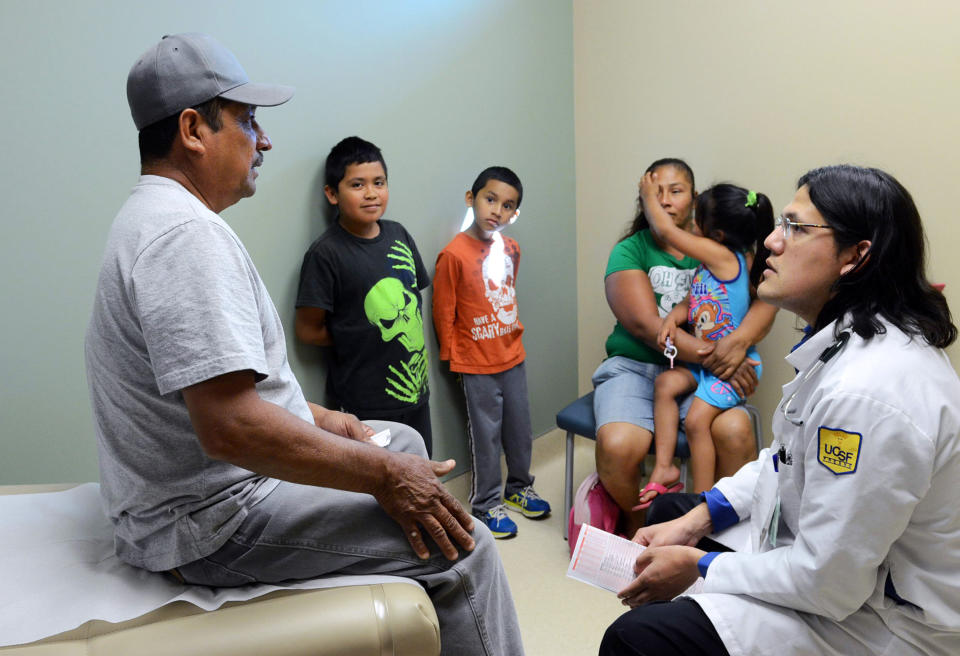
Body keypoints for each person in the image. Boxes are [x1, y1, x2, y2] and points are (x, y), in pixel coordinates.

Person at [85, 33, 524, 655]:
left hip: (204, 493)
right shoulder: (184, 239)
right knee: (464, 545)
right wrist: (384, 480)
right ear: (192, 129)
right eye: (246, 120)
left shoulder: (156, 218)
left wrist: (322, 420)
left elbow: (222, 393)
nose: (263, 140)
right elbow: (229, 429)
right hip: (210, 523)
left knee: (399, 441)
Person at [601, 164, 960, 656]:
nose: (770, 241)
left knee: (633, 640)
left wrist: (700, 567)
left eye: (795, 227)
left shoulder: (867, 394)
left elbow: (829, 583)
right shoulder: (843, 339)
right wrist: (697, 520)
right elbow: (784, 456)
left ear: (856, 256)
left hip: (880, 622)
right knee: (671, 512)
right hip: (836, 565)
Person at [593, 158, 777, 536]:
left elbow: (767, 298)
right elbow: (647, 326)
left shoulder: (717, 247)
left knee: (734, 431)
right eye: (654, 193)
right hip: (638, 366)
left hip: (702, 371)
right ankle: (642, 523)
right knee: (618, 444)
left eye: (674, 191)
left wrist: (739, 343)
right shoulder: (630, 250)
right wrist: (722, 356)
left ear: (694, 200)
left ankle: (714, 529)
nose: (663, 201)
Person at [432, 166, 551, 538]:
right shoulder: (452, 254)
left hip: (511, 354)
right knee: (486, 435)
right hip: (476, 363)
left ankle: (518, 488)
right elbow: (444, 310)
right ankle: (486, 503)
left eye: (508, 206)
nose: (497, 211)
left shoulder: (511, 249)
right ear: (472, 199)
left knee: (520, 430)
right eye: (490, 199)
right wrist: (454, 357)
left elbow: (506, 293)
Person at [295, 137, 434, 455]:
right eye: (357, 184)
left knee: (424, 472)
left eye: (379, 182)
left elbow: (415, 296)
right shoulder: (326, 254)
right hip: (364, 404)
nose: (371, 193)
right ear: (332, 193)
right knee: (379, 488)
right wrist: (355, 333)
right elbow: (307, 330)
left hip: (416, 393)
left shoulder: (399, 235)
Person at [643, 179, 774, 495]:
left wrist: (649, 195)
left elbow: (667, 232)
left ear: (716, 235)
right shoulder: (710, 264)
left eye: (697, 218)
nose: (692, 223)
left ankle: (701, 499)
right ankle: (665, 466)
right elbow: (694, 301)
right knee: (665, 385)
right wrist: (673, 318)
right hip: (706, 364)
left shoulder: (725, 257)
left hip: (732, 367)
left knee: (697, 422)